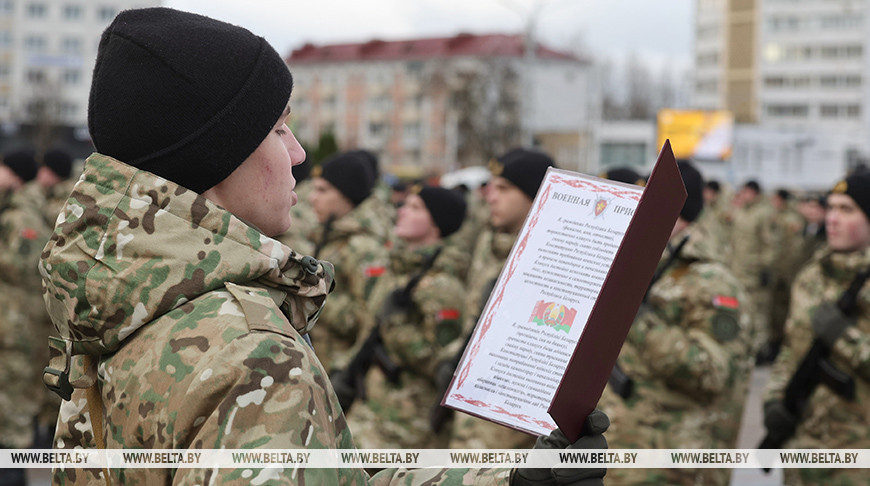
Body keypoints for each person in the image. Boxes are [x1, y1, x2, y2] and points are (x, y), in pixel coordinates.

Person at [40, 8, 608, 485]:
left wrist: (507, 480)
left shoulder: (119, 292)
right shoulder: (249, 352)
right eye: (279, 130)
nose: (299, 155)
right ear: (217, 153)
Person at [598, 161, 753, 486]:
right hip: (623, 456)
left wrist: (639, 320)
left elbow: (710, 372)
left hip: (671, 464)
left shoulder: (710, 280)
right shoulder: (651, 263)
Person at [762, 171, 870, 486]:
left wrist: (845, 339)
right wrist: (774, 399)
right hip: (803, 451)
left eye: (847, 210)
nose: (832, 218)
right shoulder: (811, 277)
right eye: (831, 208)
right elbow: (791, 349)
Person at [340, 186, 468, 449]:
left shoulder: (442, 286)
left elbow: (441, 362)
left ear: (437, 224)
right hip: (372, 414)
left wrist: (397, 325)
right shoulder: (397, 272)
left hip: (409, 427)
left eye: (416, 208)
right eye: (405, 205)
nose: (403, 212)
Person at [448, 148, 556, 450]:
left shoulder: (554, 260)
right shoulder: (491, 245)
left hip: (514, 429)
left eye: (504, 189)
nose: (490, 197)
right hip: (473, 413)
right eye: (492, 187)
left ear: (536, 197)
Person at [302, 151, 390, 372]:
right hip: (320, 362)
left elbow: (367, 321)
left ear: (347, 196)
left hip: (340, 369)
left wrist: (310, 292)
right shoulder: (330, 236)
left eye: (323, 190)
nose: (313, 197)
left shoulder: (364, 248)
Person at [0, 148, 40, 486]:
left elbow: (21, 264)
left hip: (14, 325)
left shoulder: (21, 215)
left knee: (11, 409)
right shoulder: (17, 208)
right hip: (13, 321)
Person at [757, 189, 808, 364]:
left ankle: (779, 348)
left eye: (776, 198)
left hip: (785, 276)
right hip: (778, 274)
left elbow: (793, 251)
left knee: (783, 314)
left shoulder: (791, 220)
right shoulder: (777, 217)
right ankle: (774, 346)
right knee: (774, 314)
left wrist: (786, 277)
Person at [730, 180, 775, 351]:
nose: (744, 195)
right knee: (742, 309)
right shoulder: (741, 212)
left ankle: (760, 347)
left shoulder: (763, 213)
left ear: (755, 193)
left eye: (747, 192)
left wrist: (765, 268)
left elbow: (770, 244)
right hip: (738, 269)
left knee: (758, 312)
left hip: (754, 271)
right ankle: (745, 344)